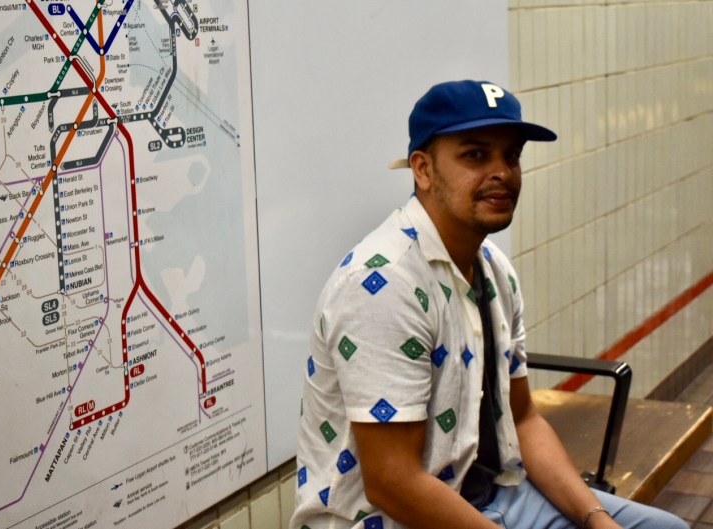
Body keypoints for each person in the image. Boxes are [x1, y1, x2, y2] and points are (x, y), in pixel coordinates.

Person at [290, 80, 688, 529]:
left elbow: (523, 418)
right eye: (475, 155)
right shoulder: (382, 285)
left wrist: (597, 519)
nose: (502, 171)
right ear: (422, 169)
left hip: (494, 493)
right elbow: (393, 482)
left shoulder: (492, 266)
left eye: (511, 156)